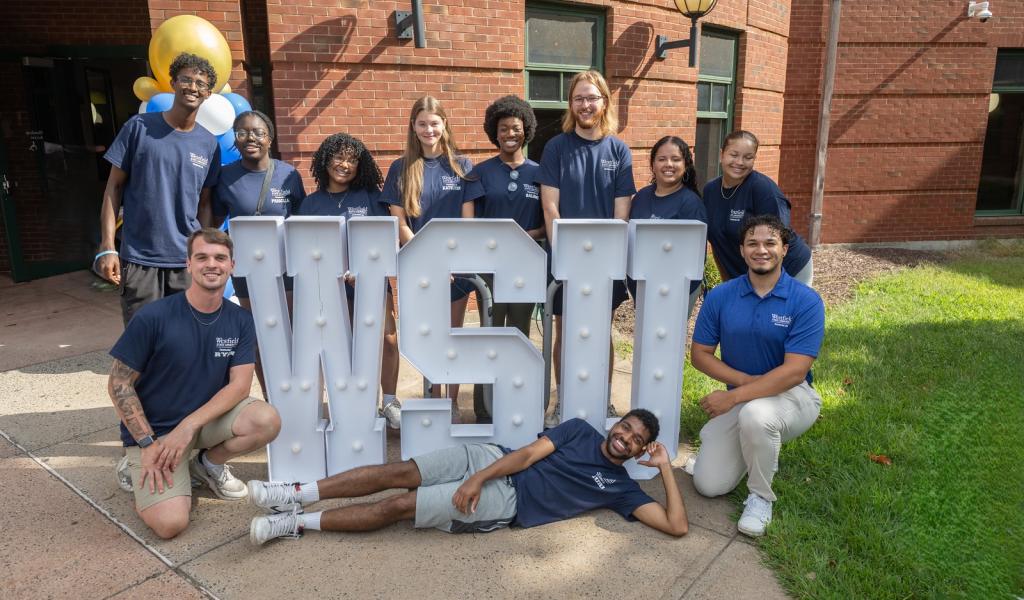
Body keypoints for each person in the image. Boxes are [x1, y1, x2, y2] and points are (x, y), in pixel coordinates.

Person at [245, 409, 687, 544]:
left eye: (635, 440)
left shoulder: (623, 490)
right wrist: (477, 476)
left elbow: (676, 526)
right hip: (494, 459)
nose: (623, 438)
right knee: (399, 472)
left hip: (510, 505)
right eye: (624, 427)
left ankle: (296, 522)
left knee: (398, 506)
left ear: (640, 450)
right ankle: (297, 492)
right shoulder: (579, 431)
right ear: (616, 424)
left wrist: (665, 467)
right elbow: (528, 455)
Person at [107, 228, 281, 539]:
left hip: (202, 423)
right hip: (156, 433)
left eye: (219, 258)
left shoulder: (240, 320)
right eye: (201, 257)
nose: (211, 264)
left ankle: (206, 464)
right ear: (188, 264)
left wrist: (187, 427)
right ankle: (133, 464)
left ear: (232, 265)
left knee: (266, 420)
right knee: (170, 525)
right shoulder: (154, 316)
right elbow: (119, 384)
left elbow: (240, 386)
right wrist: (147, 444)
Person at [688, 214, 825, 537]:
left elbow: (794, 373)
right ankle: (730, 443)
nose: (761, 250)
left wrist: (733, 395)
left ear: (785, 249)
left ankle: (761, 497)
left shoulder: (805, 301)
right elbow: (700, 355)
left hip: (794, 397)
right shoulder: (721, 296)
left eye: (769, 243)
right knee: (709, 485)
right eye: (752, 243)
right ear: (741, 250)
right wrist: (748, 386)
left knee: (756, 416)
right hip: (747, 397)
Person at [537, 70, 636, 427]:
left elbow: (621, 211)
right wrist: (563, 253)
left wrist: (610, 256)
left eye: (592, 97)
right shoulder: (557, 147)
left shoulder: (618, 149)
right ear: (571, 104)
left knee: (600, 329)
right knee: (565, 329)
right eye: (578, 98)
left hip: (605, 261)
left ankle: (603, 397)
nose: (585, 104)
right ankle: (563, 398)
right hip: (566, 258)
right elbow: (550, 206)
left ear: (604, 101)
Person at [97, 52, 222, 326]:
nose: (193, 87)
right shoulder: (138, 128)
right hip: (141, 258)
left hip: (186, 262)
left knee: (186, 341)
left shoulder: (208, 144)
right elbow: (113, 188)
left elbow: (205, 203)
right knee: (144, 345)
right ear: (173, 83)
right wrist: (107, 247)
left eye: (200, 84)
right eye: (186, 80)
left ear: (208, 93)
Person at [381, 96, 483, 420]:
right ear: (413, 126)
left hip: (456, 268)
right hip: (421, 267)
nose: (429, 129)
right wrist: (428, 260)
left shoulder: (462, 165)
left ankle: (451, 404)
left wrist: (450, 262)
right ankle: (433, 402)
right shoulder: (401, 168)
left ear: (444, 124)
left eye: (434, 123)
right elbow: (399, 223)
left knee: (451, 336)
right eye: (422, 123)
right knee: (429, 340)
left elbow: (469, 222)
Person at [298, 133, 401, 429]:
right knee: (340, 346)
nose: (344, 164)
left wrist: (365, 270)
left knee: (387, 339)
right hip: (328, 290)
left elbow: (386, 238)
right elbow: (304, 249)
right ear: (325, 160)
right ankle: (354, 403)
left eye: (352, 160)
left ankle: (390, 401)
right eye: (338, 157)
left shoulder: (369, 197)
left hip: (370, 282)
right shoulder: (311, 204)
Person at [212, 110, 306, 399]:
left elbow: (301, 221)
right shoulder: (224, 177)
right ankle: (272, 398)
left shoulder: (289, 174)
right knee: (262, 337)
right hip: (247, 272)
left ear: (270, 138)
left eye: (257, 132)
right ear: (235, 140)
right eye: (241, 133)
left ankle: (298, 396)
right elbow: (213, 223)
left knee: (291, 335)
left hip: (287, 268)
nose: (250, 138)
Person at [469, 95, 543, 422]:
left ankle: (516, 404)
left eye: (515, 127)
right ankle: (484, 409)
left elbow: (548, 222)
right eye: (503, 129)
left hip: (525, 268)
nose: (509, 133)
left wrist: (529, 236)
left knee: (518, 336)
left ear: (525, 130)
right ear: (494, 133)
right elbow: (471, 221)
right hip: (489, 269)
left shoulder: (542, 174)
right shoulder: (480, 172)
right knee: (489, 335)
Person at [703, 130, 813, 285]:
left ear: (754, 159)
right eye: (734, 155)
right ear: (722, 155)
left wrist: (763, 287)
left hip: (788, 270)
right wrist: (727, 284)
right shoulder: (710, 190)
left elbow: (776, 242)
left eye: (748, 157)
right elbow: (717, 242)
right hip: (744, 276)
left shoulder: (764, 190)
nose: (740, 162)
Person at [626, 135, 706, 318]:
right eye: (662, 159)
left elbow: (695, 260)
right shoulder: (641, 197)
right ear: (652, 164)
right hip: (643, 287)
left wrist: (677, 295)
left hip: (674, 292)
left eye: (675, 159)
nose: (668, 164)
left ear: (685, 165)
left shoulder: (691, 204)